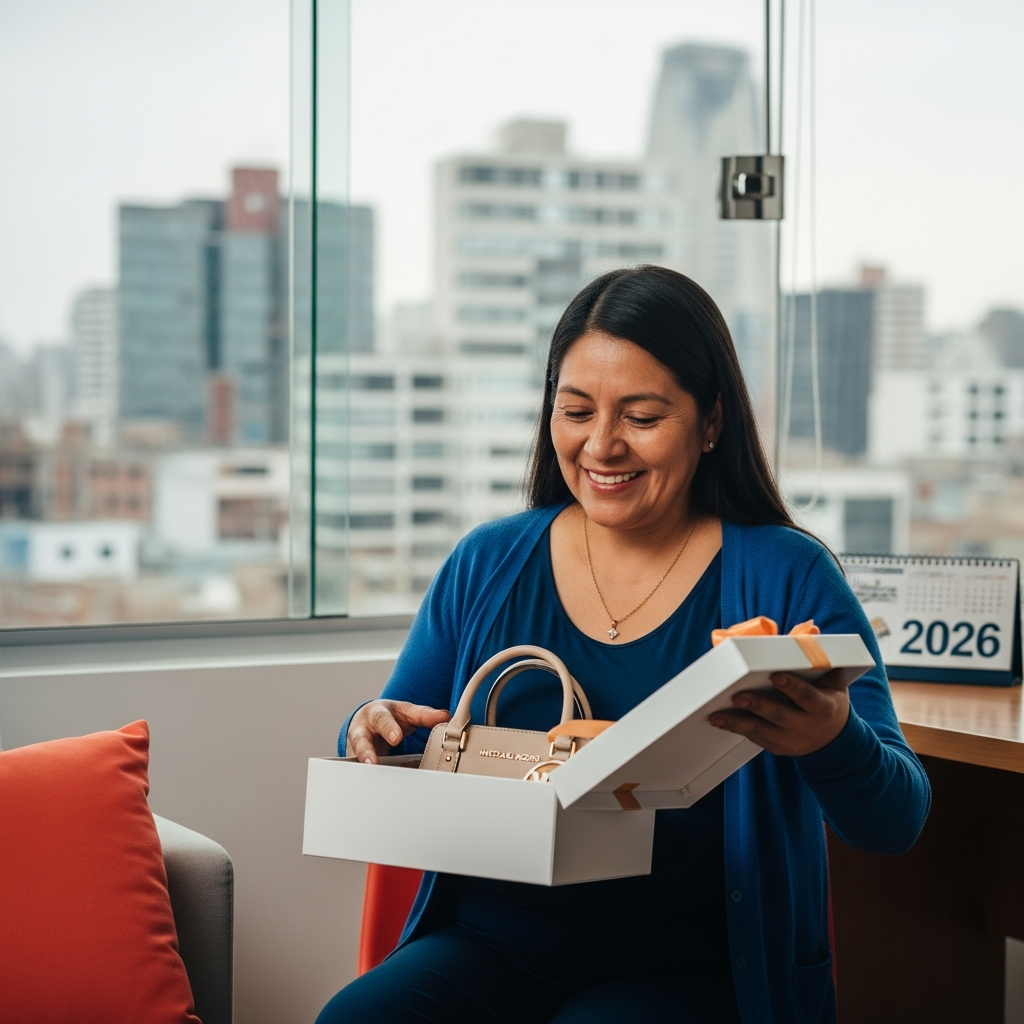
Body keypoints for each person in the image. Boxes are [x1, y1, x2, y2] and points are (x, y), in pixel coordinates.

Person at [316, 266, 930, 1024]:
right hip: (488, 944)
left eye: (640, 416)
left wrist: (830, 739)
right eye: (575, 411)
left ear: (711, 421)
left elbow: (897, 819)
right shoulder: (488, 560)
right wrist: (367, 728)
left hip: (692, 966)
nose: (601, 446)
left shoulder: (786, 573)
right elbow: (396, 744)